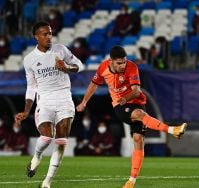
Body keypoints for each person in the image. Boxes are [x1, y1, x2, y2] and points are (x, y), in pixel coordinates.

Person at [76, 45, 187, 188]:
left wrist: (125, 98)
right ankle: (173, 130)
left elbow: (136, 91)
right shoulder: (103, 67)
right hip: (120, 105)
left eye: (124, 62)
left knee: (138, 139)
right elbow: (94, 84)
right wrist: (84, 101)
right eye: (119, 63)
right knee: (140, 115)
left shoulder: (131, 66)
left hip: (136, 101)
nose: (123, 65)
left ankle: (131, 181)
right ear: (111, 61)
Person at [15, 21, 84, 188]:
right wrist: (25, 111)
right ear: (36, 37)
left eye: (50, 33)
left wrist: (67, 67)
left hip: (64, 99)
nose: (49, 37)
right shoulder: (29, 60)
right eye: (44, 34)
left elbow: (80, 65)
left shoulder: (60, 50)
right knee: (46, 137)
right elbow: (31, 87)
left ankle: (47, 182)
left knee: (61, 142)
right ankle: (37, 156)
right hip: (44, 100)